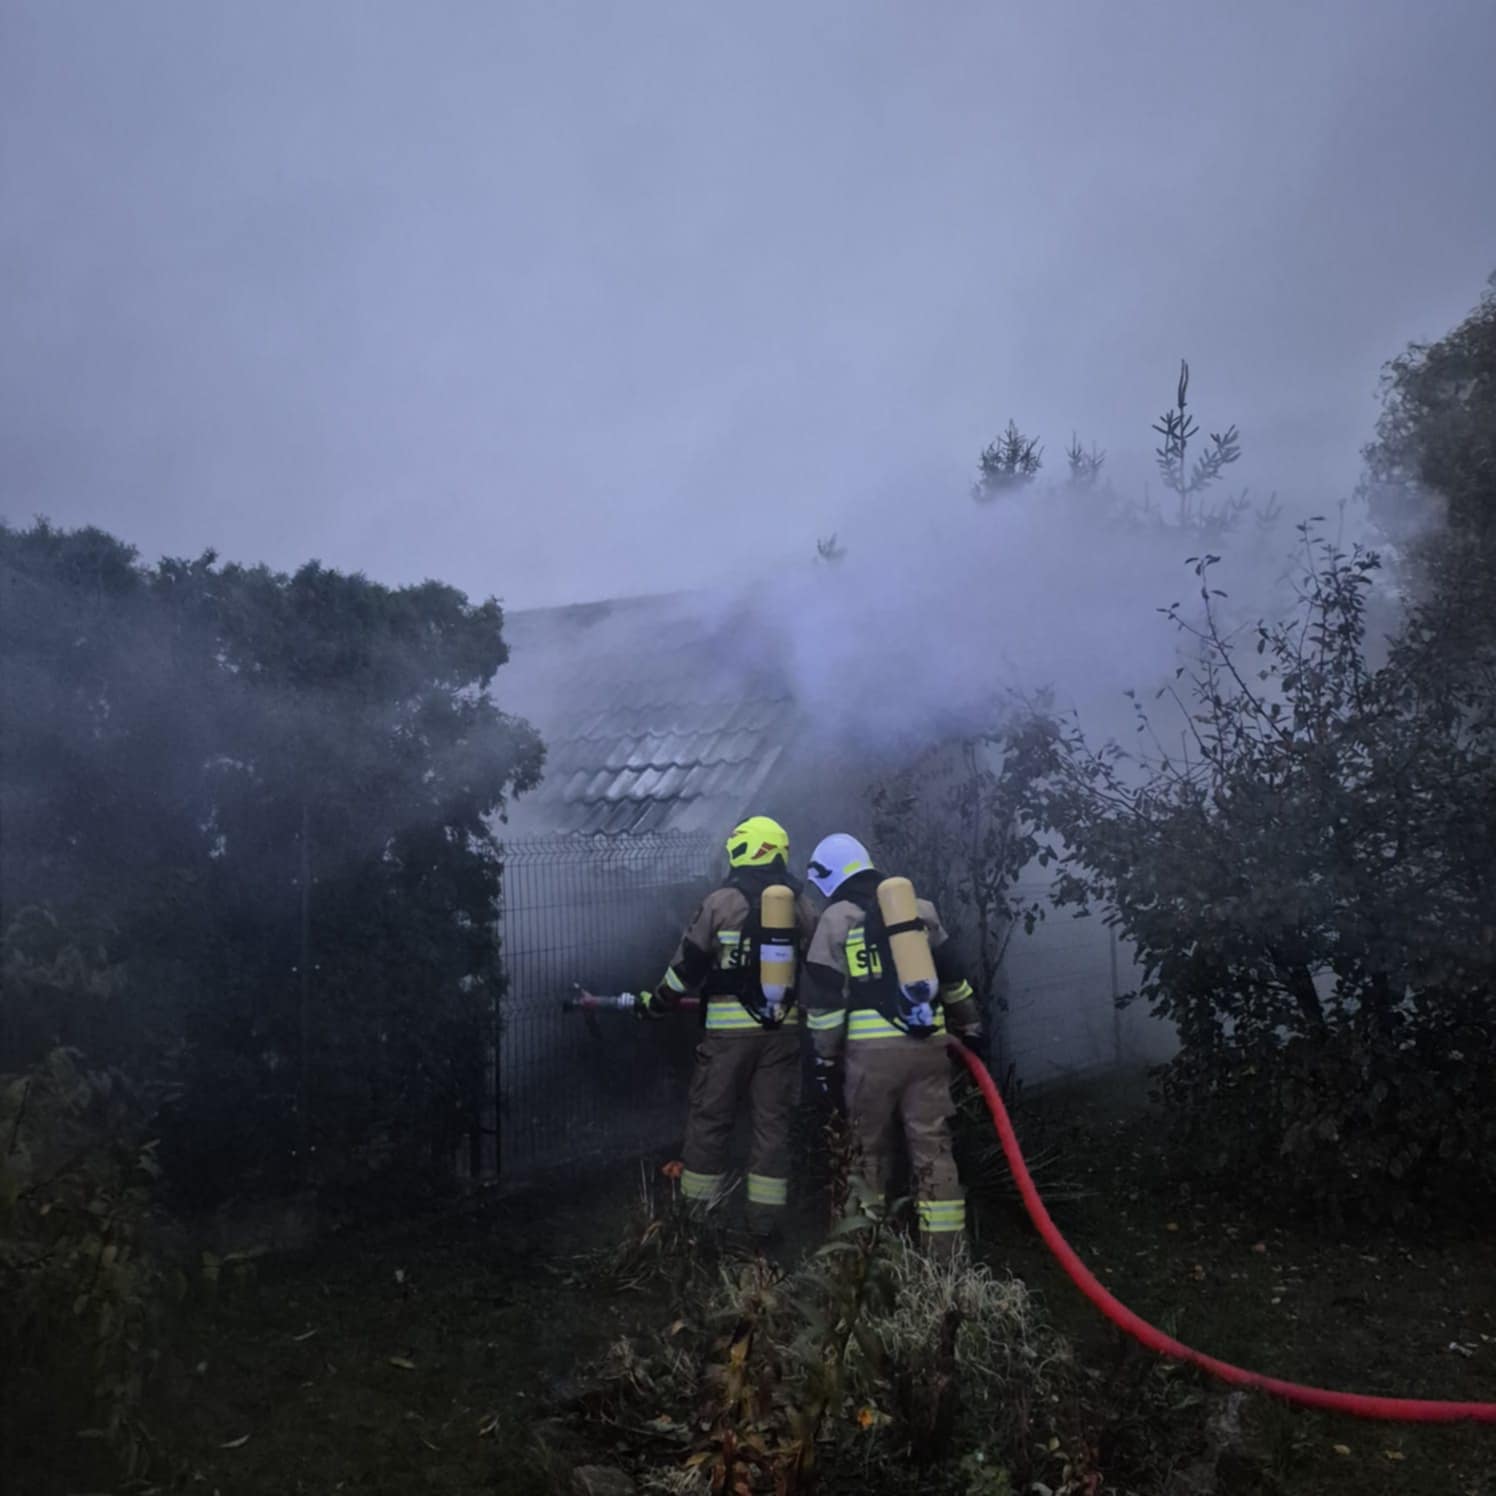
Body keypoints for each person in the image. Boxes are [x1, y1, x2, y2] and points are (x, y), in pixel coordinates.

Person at [800, 832, 986, 1253]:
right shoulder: (920, 910)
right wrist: (972, 1028)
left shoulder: (836, 919)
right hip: (929, 1046)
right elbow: (954, 980)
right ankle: (946, 1257)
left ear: (829, 877)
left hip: (870, 1058)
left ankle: (865, 1253)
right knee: (933, 1149)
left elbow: (826, 1003)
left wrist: (824, 1062)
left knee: (866, 1152)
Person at [639, 814, 818, 1244]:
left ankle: (698, 1222)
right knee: (772, 1126)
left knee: (710, 1121)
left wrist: (658, 1003)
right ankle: (764, 1227)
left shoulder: (720, 902)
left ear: (741, 850)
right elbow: (821, 963)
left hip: (727, 1038)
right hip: (782, 1033)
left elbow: (686, 968)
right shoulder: (801, 905)